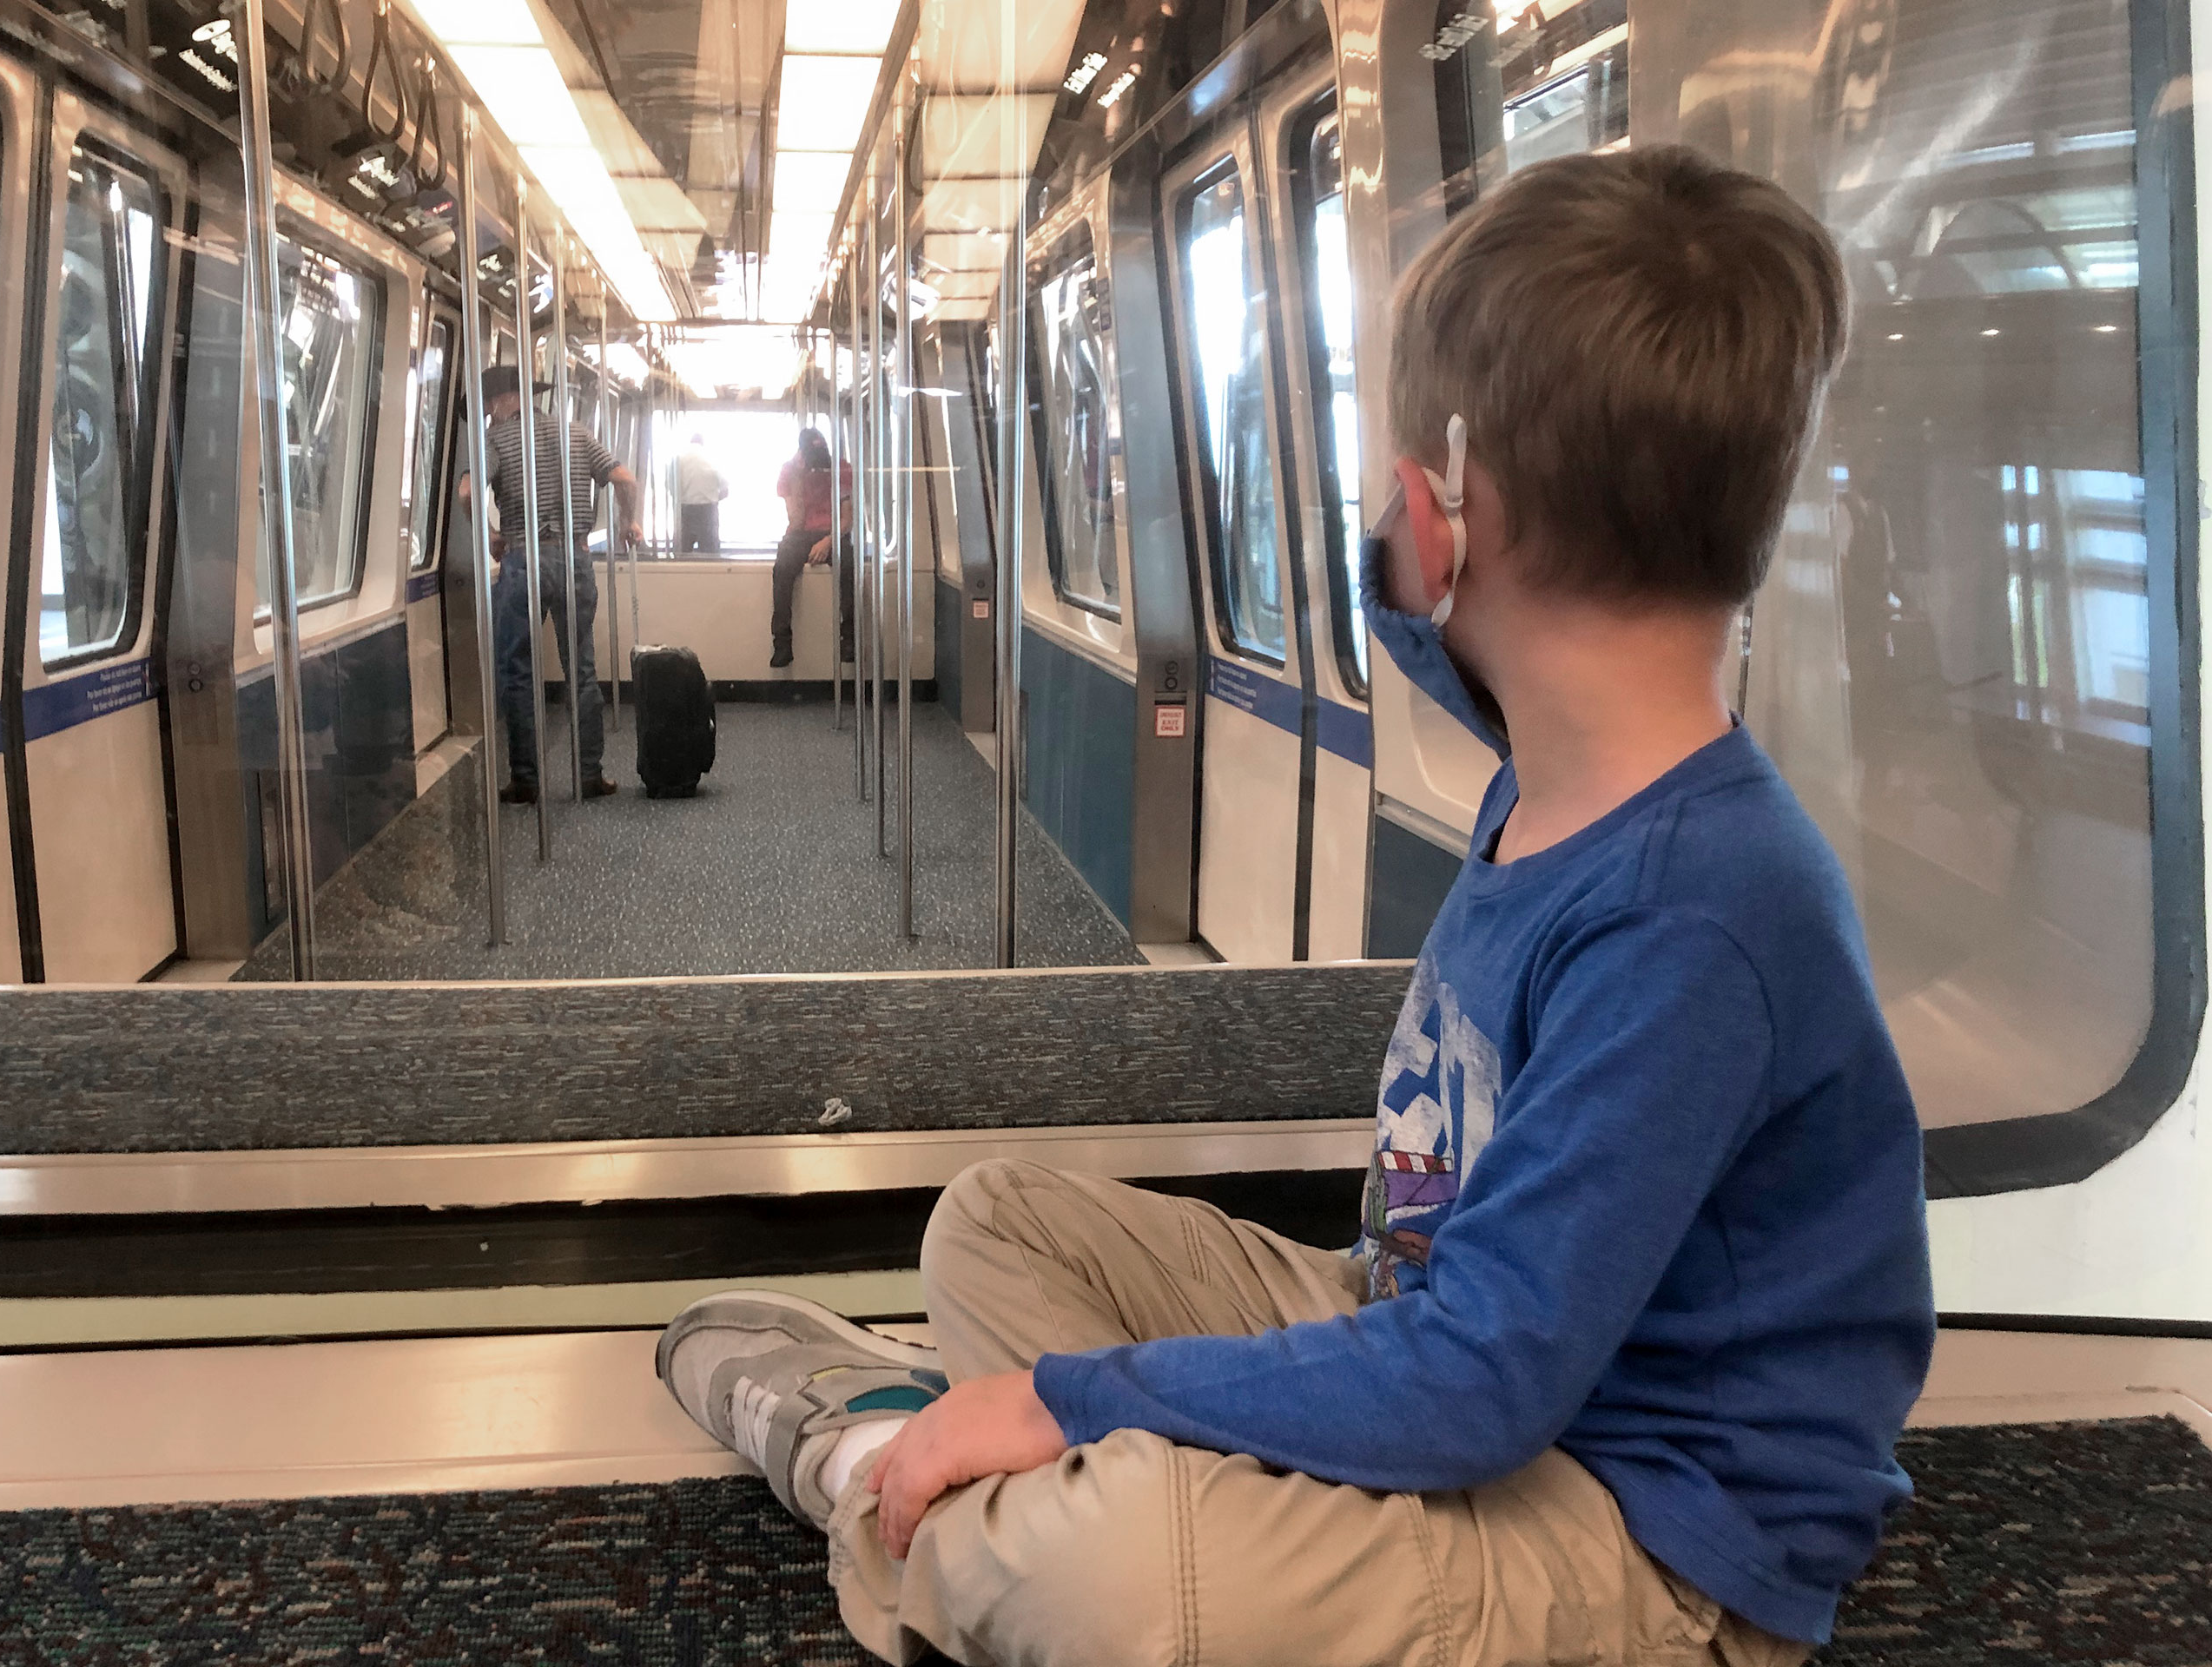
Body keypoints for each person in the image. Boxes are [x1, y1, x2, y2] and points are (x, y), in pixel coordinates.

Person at [657, 145, 1934, 1667]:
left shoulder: (1701, 912)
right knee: (992, 1224)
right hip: (1433, 1333)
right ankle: (1035, 1471)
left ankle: (877, 1471)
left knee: (1112, 1577)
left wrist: (1071, 1400)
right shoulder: (1551, 785)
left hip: (1645, 1535)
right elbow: (1457, 1319)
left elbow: (1481, 1385)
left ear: (1442, 516)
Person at [480, 365, 642, 803]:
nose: (489, 415)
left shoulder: (496, 440)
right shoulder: (576, 432)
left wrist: (491, 534)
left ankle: (526, 779)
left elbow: (465, 492)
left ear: (501, 401)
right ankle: (589, 775)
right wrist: (631, 521)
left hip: (523, 560)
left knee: (518, 674)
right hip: (573, 556)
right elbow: (623, 478)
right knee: (582, 671)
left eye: (489, 405)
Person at [770, 426, 855, 669]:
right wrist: (799, 477)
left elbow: (846, 519)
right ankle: (782, 643)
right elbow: (795, 521)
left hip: (833, 531)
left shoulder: (840, 468)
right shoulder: (789, 471)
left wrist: (828, 541)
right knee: (782, 569)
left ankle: (849, 638)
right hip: (800, 532)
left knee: (849, 566)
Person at [676, 432, 726, 554]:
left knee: (682, 553)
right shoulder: (713, 458)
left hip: (685, 510)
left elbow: (670, 486)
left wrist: (682, 497)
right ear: (703, 443)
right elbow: (725, 489)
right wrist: (714, 499)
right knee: (710, 555)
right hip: (708, 511)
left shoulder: (679, 458)